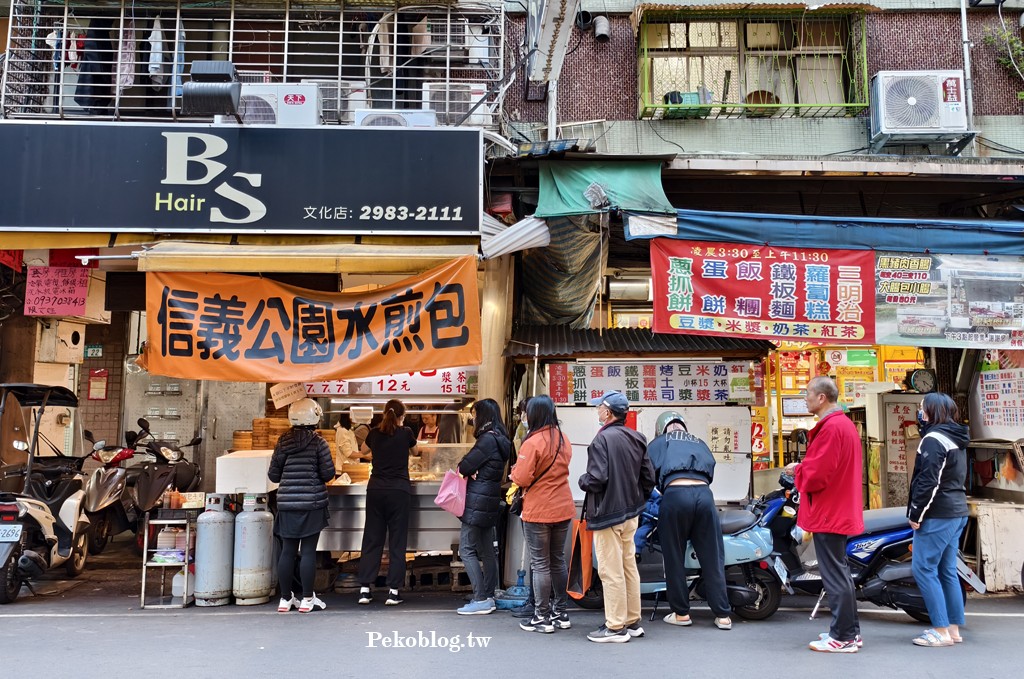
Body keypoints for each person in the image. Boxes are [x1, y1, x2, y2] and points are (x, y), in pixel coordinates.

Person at [788, 376, 864, 653]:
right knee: (840, 572)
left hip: (830, 511)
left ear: (822, 398)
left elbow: (818, 475)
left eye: (808, 393)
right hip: (839, 508)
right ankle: (850, 632)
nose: (805, 398)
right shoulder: (842, 425)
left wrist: (797, 470)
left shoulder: (831, 428)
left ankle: (842, 637)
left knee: (834, 575)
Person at [579, 391, 656, 644]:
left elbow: (597, 478)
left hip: (607, 514)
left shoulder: (602, 440)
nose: (597, 411)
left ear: (608, 412)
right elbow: (649, 478)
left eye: (599, 407)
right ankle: (633, 621)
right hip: (631, 514)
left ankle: (615, 627)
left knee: (611, 572)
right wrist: (637, 500)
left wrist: (583, 480)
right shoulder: (637, 437)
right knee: (628, 568)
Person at [646, 411, 732, 630]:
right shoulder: (699, 441)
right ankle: (723, 615)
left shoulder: (660, 442)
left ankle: (681, 613)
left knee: (674, 556)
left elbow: (646, 474)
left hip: (675, 495)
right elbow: (711, 468)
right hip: (704, 495)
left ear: (662, 428)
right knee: (712, 556)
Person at [906, 392, 970, 648]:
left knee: (923, 569)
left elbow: (928, 481)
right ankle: (953, 629)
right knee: (946, 571)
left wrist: (915, 513)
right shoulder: (957, 437)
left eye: (922, 408)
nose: (920, 413)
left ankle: (941, 631)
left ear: (932, 411)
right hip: (957, 511)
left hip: (937, 513)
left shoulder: (933, 439)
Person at [510, 395, 575, 634]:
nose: (525, 418)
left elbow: (522, 477)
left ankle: (542, 617)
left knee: (540, 564)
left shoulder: (533, 441)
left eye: (527, 413)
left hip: (539, 509)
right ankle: (561, 613)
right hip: (563, 506)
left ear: (535, 414)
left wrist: (514, 472)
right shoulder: (563, 438)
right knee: (557, 560)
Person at [267, 398, 335, 613]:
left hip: (287, 503)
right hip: (311, 504)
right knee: (307, 551)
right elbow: (328, 474)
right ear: (314, 417)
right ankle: (307, 599)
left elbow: (273, 475)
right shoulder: (319, 443)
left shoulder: (282, 442)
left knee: (287, 551)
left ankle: (285, 599)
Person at [356, 398, 418, 606]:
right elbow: (416, 452)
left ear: (384, 413)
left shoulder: (374, 433)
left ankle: (365, 589)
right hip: (399, 492)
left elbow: (363, 451)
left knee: (372, 538)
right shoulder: (407, 433)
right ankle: (393, 592)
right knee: (397, 541)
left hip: (375, 490)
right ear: (402, 416)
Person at [454, 399, 511, 615]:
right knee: (487, 550)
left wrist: (468, 469)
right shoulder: (500, 439)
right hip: (489, 500)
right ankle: (489, 594)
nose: (473, 418)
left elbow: (464, 466)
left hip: (477, 500)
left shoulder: (486, 440)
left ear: (484, 416)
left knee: (466, 549)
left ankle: (480, 598)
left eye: (475, 414)